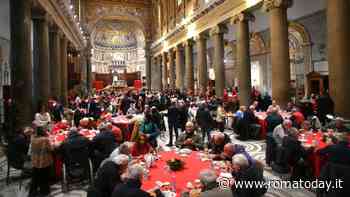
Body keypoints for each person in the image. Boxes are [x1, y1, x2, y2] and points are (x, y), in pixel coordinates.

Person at [29, 126, 54, 197]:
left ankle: (33, 192)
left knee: (36, 177)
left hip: (35, 161)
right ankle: (44, 191)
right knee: (45, 177)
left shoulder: (33, 139)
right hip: (44, 161)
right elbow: (51, 149)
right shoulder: (45, 140)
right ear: (43, 132)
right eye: (45, 130)